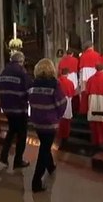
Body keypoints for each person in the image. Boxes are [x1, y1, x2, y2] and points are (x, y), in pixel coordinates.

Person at [28, 58, 67, 192]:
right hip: (50, 123)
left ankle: (50, 167)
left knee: (45, 145)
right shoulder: (54, 85)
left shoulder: (33, 85)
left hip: (37, 122)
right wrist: (57, 115)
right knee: (44, 150)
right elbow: (62, 103)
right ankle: (36, 182)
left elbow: (31, 102)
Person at [0, 51, 32, 169]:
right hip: (19, 108)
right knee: (22, 135)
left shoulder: (4, 71)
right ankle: (18, 160)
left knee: (12, 131)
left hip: (6, 108)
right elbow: (28, 89)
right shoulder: (21, 72)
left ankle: (4, 155)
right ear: (20, 61)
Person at [78, 41, 101, 114]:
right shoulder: (97, 55)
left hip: (85, 75)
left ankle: (84, 110)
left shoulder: (83, 56)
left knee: (85, 93)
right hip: (94, 75)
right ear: (92, 46)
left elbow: (80, 69)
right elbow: (100, 67)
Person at [57, 68, 75, 147]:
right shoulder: (70, 82)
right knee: (66, 120)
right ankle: (65, 137)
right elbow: (72, 93)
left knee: (59, 119)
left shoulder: (57, 82)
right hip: (67, 101)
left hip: (58, 101)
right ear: (67, 74)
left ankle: (59, 136)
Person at [57, 49, 80, 115]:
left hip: (65, 75)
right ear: (72, 53)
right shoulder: (75, 60)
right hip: (73, 76)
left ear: (66, 54)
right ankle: (74, 110)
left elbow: (59, 70)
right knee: (74, 93)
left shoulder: (62, 60)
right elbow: (78, 69)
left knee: (65, 93)